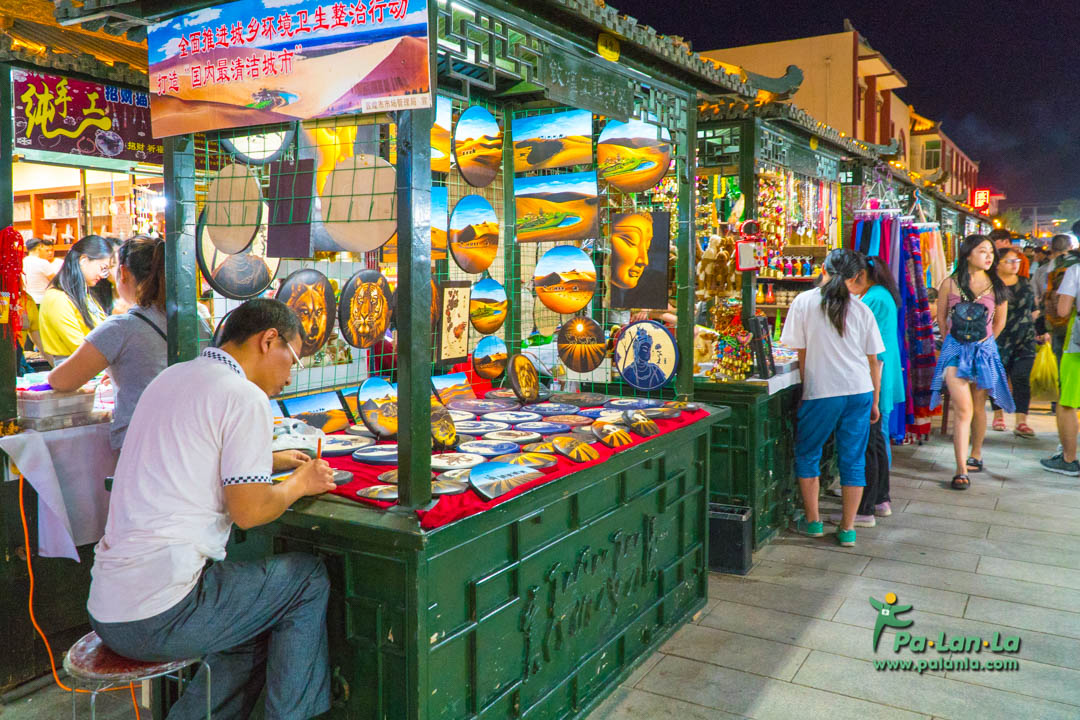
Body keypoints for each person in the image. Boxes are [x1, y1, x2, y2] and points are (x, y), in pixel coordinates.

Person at [87, 298, 335, 719]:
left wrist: (268, 459)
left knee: (252, 622)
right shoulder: (244, 396)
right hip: (161, 613)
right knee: (306, 579)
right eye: (292, 358)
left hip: (108, 606)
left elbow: (192, 450)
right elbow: (250, 511)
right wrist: (301, 483)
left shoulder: (172, 377)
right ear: (268, 340)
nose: (290, 375)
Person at [781, 248, 883, 547]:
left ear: (822, 269)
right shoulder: (862, 309)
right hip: (859, 391)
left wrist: (806, 387)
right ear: (857, 276)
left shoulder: (804, 302)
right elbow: (874, 360)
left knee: (808, 453)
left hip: (823, 392)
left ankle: (813, 522)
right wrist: (875, 401)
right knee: (853, 460)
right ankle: (848, 528)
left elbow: (800, 352)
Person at [48, 236, 169, 449]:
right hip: (188, 438)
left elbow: (61, 380)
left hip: (140, 442)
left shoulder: (121, 328)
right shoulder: (196, 322)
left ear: (124, 272)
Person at [929, 235, 1012, 490]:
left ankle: (976, 453)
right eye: (983, 251)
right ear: (967, 254)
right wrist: (954, 342)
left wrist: (983, 343)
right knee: (963, 409)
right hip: (955, 352)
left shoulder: (996, 285)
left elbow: (1000, 323)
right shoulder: (950, 283)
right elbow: (941, 318)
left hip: (984, 352)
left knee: (978, 406)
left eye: (991, 252)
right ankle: (961, 469)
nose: (989, 256)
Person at [839, 255, 903, 527]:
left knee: (873, 440)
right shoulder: (879, 294)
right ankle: (877, 499)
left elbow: (859, 339)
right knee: (877, 438)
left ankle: (870, 501)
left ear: (859, 276)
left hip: (876, 372)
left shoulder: (874, 298)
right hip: (879, 370)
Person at [991, 246, 1041, 438]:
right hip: (999, 338)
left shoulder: (1024, 282)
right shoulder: (991, 285)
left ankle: (1021, 421)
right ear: (998, 264)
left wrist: (1040, 329)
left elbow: (1034, 308)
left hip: (1025, 338)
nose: (1015, 264)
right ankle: (998, 415)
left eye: (1017, 261)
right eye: (1009, 261)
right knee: (998, 377)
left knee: (1021, 377)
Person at [38, 235, 112, 362]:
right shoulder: (57, 298)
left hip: (91, 365)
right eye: (102, 268)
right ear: (83, 260)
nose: (102, 275)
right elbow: (79, 347)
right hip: (78, 366)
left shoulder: (84, 295)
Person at [1041, 257, 1080, 475]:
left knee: (1067, 403)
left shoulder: (1075, 271)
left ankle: (1068, 459)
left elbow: (1063, 310)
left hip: (1076, 347)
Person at [22, 237, 60, 304]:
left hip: (27, 300)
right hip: (42, 300)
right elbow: (56, 281)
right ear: (39, 247)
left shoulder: (23, 261)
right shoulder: (42, 263)